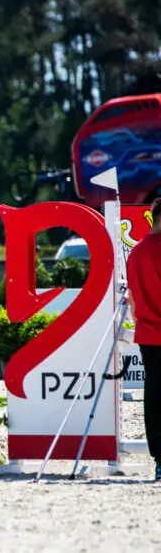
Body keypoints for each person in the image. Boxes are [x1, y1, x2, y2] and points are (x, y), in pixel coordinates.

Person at [125, 196, 161, 482]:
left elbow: (134, 303)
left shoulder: (136, 253)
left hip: (148, 333)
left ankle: (159, 458)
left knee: (154, 393)